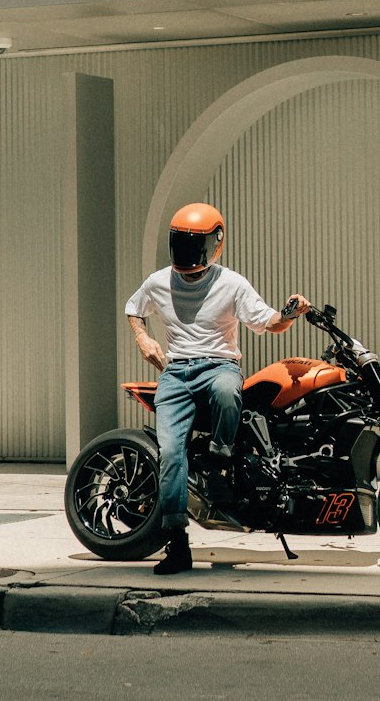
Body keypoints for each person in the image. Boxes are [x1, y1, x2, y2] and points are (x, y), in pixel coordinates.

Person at [125, 202, 309, 575]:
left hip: (219, 366)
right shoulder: (158, 281)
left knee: (229, 391)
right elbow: (133, 307)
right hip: (175, 373)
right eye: (181, 242)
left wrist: (288, 314)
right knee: (171, 456)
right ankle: (177, 544)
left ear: (215, 243)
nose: (187, 252)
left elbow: (268, 322)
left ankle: (218, 461)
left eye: (195, 244)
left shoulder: (232, 283)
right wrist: (142, 338)